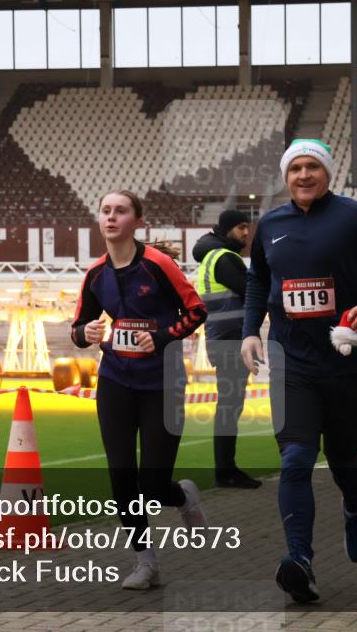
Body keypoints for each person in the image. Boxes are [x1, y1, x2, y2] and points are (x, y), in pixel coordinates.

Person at [240, 139, 357, 603]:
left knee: (343, 463)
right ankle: (300, 560)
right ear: (285, 176)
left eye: (312, 166)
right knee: (295, 459)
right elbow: (258, 279)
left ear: (327, 172)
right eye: (295, 168)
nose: (303, 175)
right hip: (291, 360)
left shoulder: (356, 217)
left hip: (345, 359)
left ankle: (354, 507)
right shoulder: (271, 224)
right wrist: (250, 329)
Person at [71, 190, 208, 590]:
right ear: (100, 220)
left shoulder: (157, 264)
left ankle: (182, 498)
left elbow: (197, 310)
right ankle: (145, 562)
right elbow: (78, 328)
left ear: (137, 221)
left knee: (152, 482)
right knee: (121, 475)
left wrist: (162, 337)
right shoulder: (96, 274)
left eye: (121, 211)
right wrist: (87, 331)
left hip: (161, 382)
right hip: (115, 380)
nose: (112, 217)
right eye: (106, 211)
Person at [193, 209, 261, 489]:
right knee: (229, 407)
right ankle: (226, 471)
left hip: (222, 338)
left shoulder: (214, 256)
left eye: (248, 227)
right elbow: (253, 293)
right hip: (230, 340)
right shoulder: (225, 259)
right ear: (227, 229)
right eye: (241, 228)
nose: (246, 233)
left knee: (229, 406)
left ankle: (226, 469)